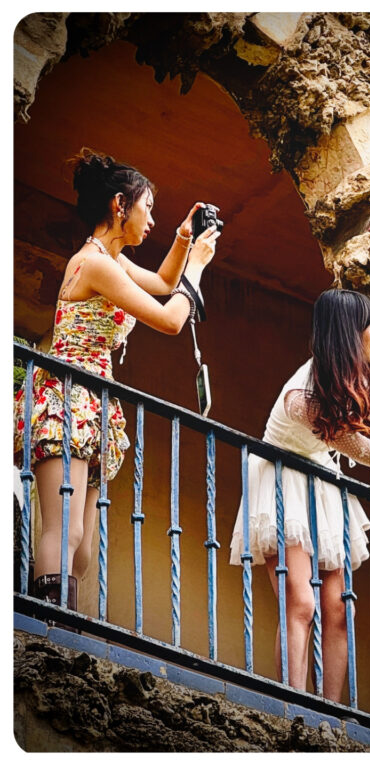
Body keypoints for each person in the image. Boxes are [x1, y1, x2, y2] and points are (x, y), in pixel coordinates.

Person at [14, 148, 219, 611]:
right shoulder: (96, 264)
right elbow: (170, 320)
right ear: (119, 206)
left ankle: (62, 620)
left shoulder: (113, 260)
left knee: (82, 541)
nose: (151, 220)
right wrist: (200, 270)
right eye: (147, 208)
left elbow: (166, 284)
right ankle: (46, 623)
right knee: (63, 527)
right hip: (66, 398)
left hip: (93, 401)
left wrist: (185, 240)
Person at [229, 288, 370, 701]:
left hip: (323, 484)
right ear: (350, 333)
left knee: (340, 609)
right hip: (281, 484)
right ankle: (294, 704)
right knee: (301, 603)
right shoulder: (302, 398)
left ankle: (331, 711)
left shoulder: (348, 374)